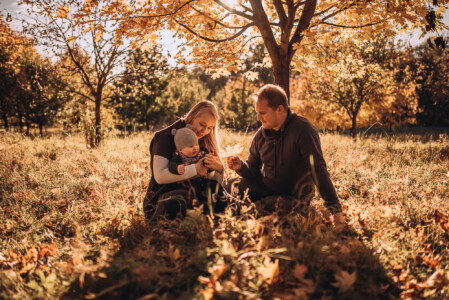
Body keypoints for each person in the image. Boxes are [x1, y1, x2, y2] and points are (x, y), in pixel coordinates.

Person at [226, 84, 345, 223]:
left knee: (270, 206)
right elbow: (253, 170)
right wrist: (240, 166)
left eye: (262, 113)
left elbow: (318, 170)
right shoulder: (260, 136)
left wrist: (336, 211)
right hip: (266, 187)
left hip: (294, 197)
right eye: (257, 112)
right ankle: (231, 206)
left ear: (280, 109)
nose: (258, 118)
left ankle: (239, 209)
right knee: (229, 184)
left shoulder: (303, 130)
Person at [143, 101, 226, 220]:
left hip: (196, 195)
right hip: (161, 201)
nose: (204, 131)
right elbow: (160, 177)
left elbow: (212, 182)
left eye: (210, 128)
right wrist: (195, 169)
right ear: (193, 115)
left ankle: (243, 210)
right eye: (202, 124)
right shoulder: (164, 137)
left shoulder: (203, 140)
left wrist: (219, 170)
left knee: (219, 194)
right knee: (183, 197)